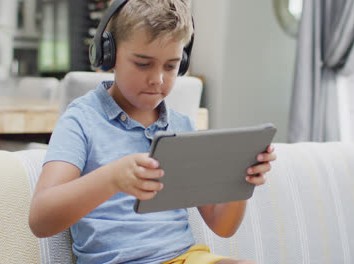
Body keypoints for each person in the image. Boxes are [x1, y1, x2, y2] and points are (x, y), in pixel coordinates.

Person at [28, 0, 276, 263]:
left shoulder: (182, 126)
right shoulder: (82, 120)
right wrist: (112, 178)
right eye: (143, 63)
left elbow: (222, 226)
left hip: (184, 258)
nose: (157, 79)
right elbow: (41, 219)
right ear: (109, 56)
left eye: (170, 66)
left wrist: (239, 181)